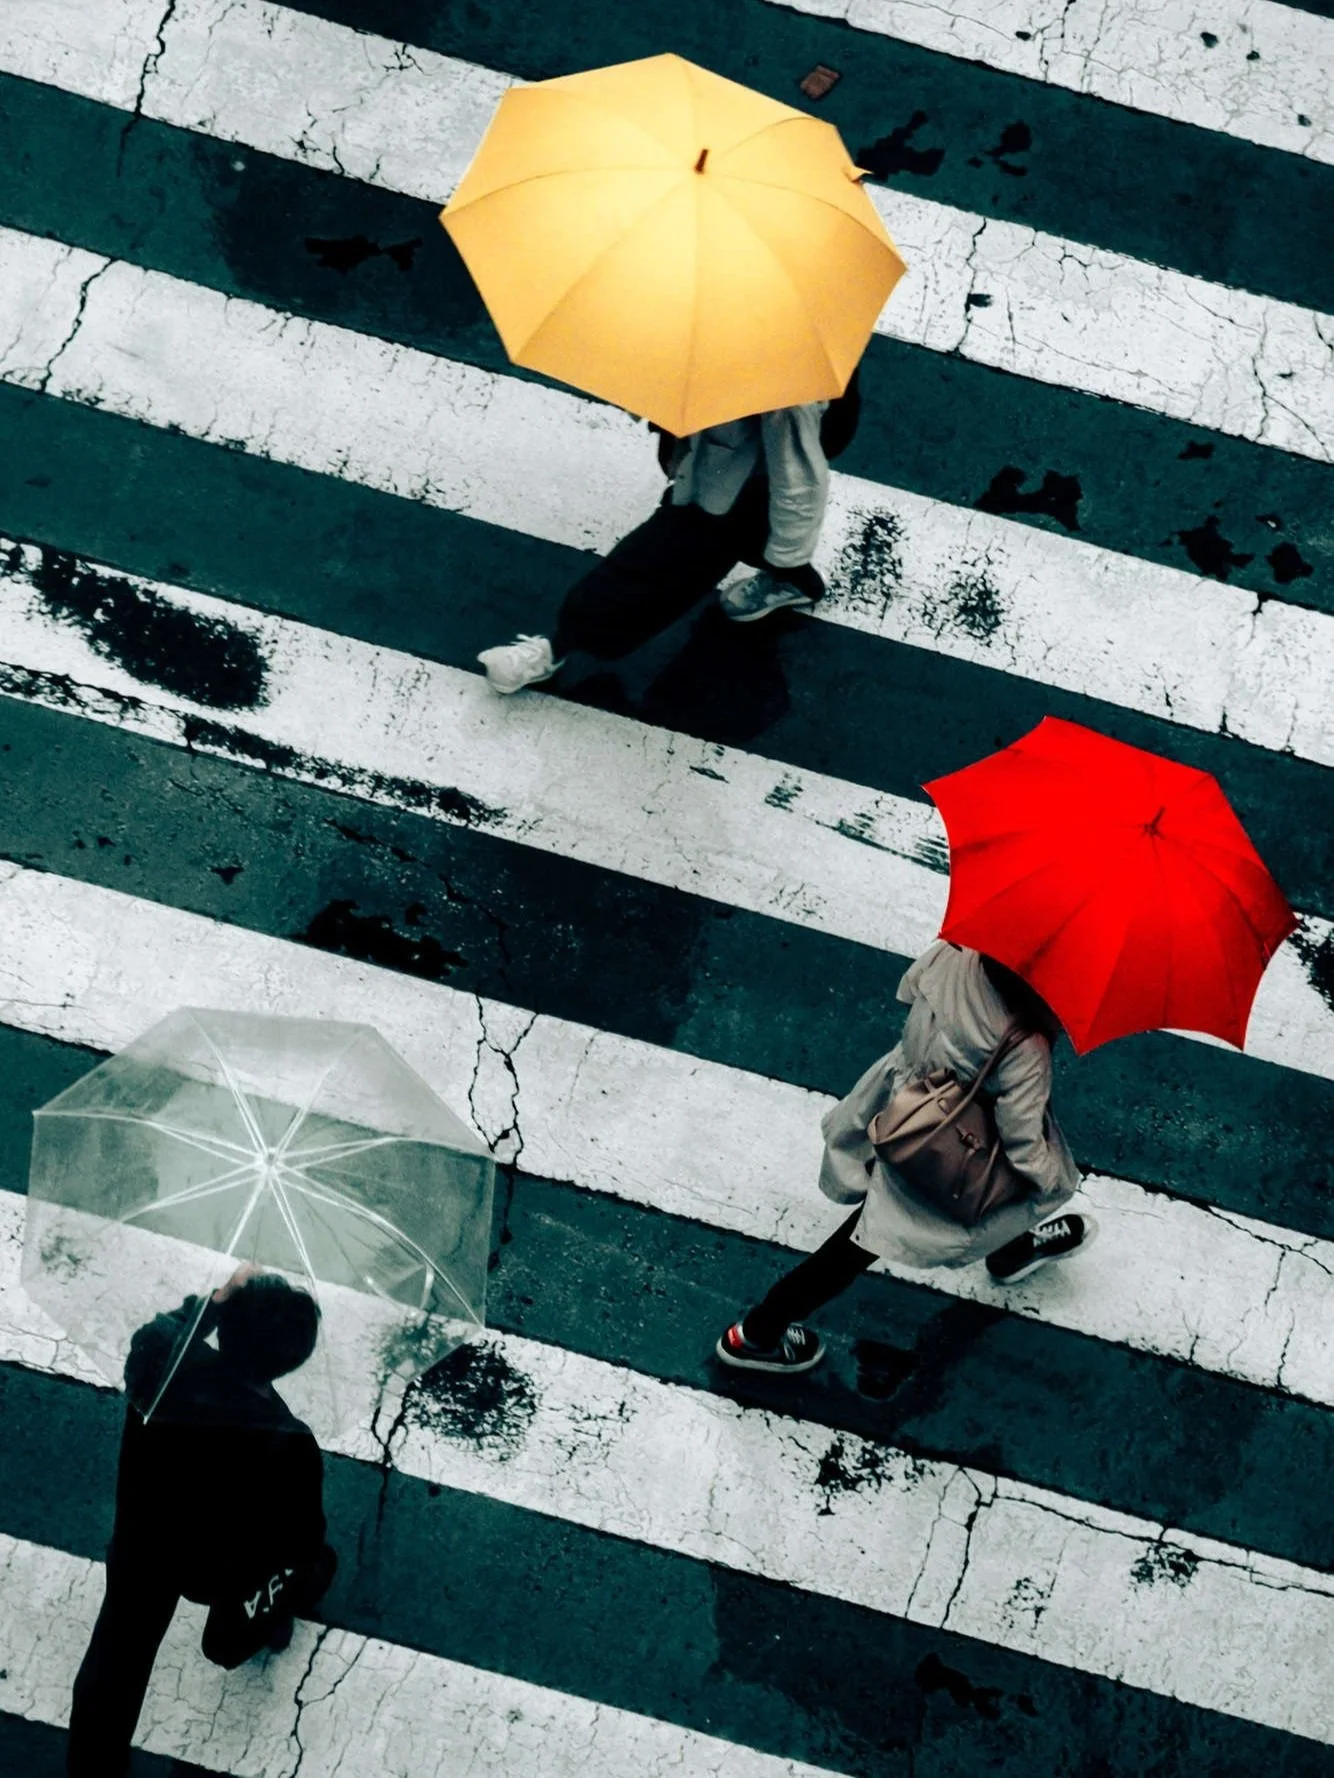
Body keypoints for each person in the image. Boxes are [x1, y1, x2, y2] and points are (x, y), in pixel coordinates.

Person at [717, 941, 1096, 1374]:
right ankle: (758, 1332)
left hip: (900, 1098)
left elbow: (908, 988)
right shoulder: (1027, 1046)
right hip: (943, 1145)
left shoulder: (958, 956)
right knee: (860, 1243)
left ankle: (1009, 1248)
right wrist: (1051, 1181)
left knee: (874, 1225)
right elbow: (1021, 1140)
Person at [67, 1265, 335, 1777]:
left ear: (227, 1331)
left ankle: (91, 1769)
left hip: (144, 1543)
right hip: (221, 1570)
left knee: (116, 1662)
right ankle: (265, 1619)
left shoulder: (160, 1366)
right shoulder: (290, 1443)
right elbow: (303, 1535)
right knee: (312, 1560)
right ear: (291, 1360)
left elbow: (162, 1330)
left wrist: (216, 1299)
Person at [477, 371, 862, 694]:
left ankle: (555, 648)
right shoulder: (711, 336)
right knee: (752, 537)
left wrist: (789, 552)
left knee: (649, 565)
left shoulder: (786, 390)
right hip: (722, 474)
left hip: (726, 497)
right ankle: (794, 579)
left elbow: (799, 483)